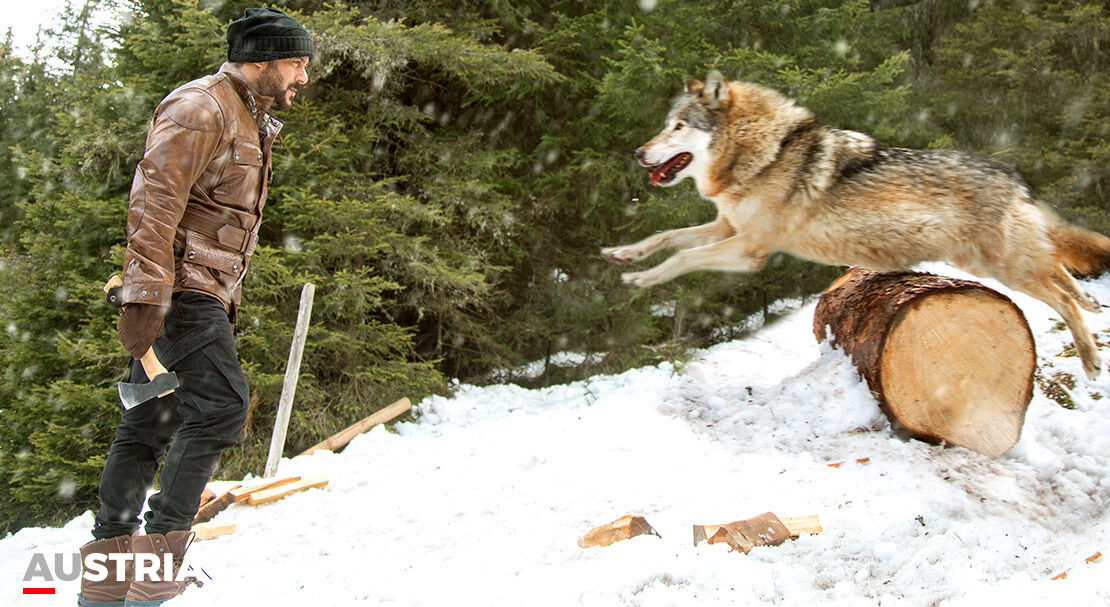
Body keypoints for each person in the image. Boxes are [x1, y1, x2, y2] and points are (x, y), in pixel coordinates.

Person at [78, 8, 312, 606]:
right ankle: (156, 567)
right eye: (295, 63)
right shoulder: (201, 107)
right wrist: (148, 294)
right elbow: (154, 202)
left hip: (200, 288)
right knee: (223, 408)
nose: (302, 78)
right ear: (259, 59)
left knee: (150, 419)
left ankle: (107, 584)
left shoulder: (245, 112)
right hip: (182, 289)